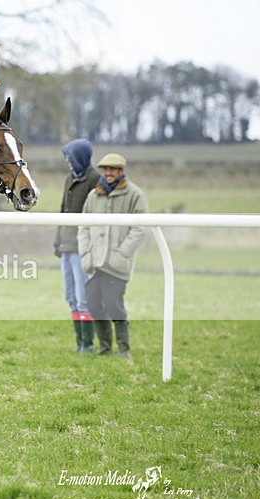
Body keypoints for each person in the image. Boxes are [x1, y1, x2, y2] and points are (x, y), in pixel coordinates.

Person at [77, 153, 149, 358]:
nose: (108, 173)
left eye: (113, 169)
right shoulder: (94, 195)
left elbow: (141, 228)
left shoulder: (135, 194)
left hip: (117, 265)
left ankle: (124, 349)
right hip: (95, 262)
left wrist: (122, 253)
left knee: (113, 304)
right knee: (92, 304)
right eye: (106, 169)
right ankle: (105, 349)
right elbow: (83, 226)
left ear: (121, 171)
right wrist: (86, 253)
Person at [54, 139, 99, 353]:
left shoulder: (95, 179)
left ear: (79, 157)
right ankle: (80, 342)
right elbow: (63, 210)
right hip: (66, 245)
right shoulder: (69, 178)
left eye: (69, 156)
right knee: (70, 297)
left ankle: (88, 345)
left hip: (83, 247)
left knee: (83, 299)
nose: (66, 160)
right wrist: (58, 240)